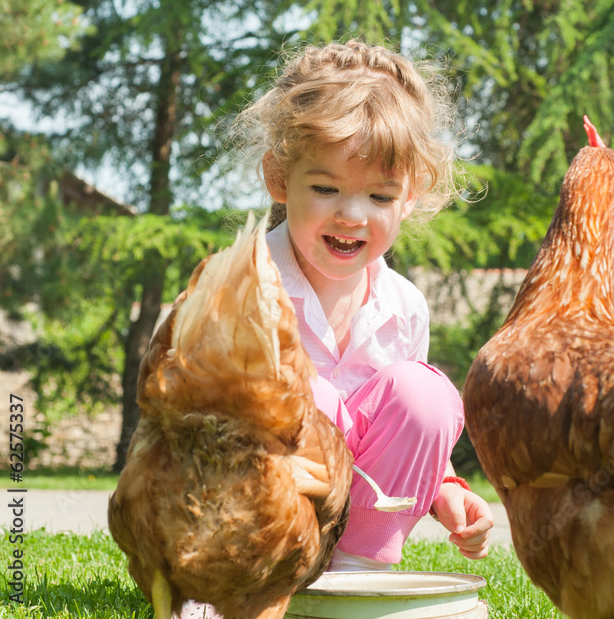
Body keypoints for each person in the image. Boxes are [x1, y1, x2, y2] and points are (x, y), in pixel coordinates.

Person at [179, 39, 493, 618]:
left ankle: (355, 581)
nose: (352, 214)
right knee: (306, 393)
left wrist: (447, 491)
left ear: (410, 198)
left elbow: (409, 435)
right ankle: (229, 588)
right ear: (279, 177)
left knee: (424, 393)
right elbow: (195, 432)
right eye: (325, 188)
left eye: (379, 195)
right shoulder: (245, 286)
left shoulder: (404, 307)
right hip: (245, 523)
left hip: (346, 532)